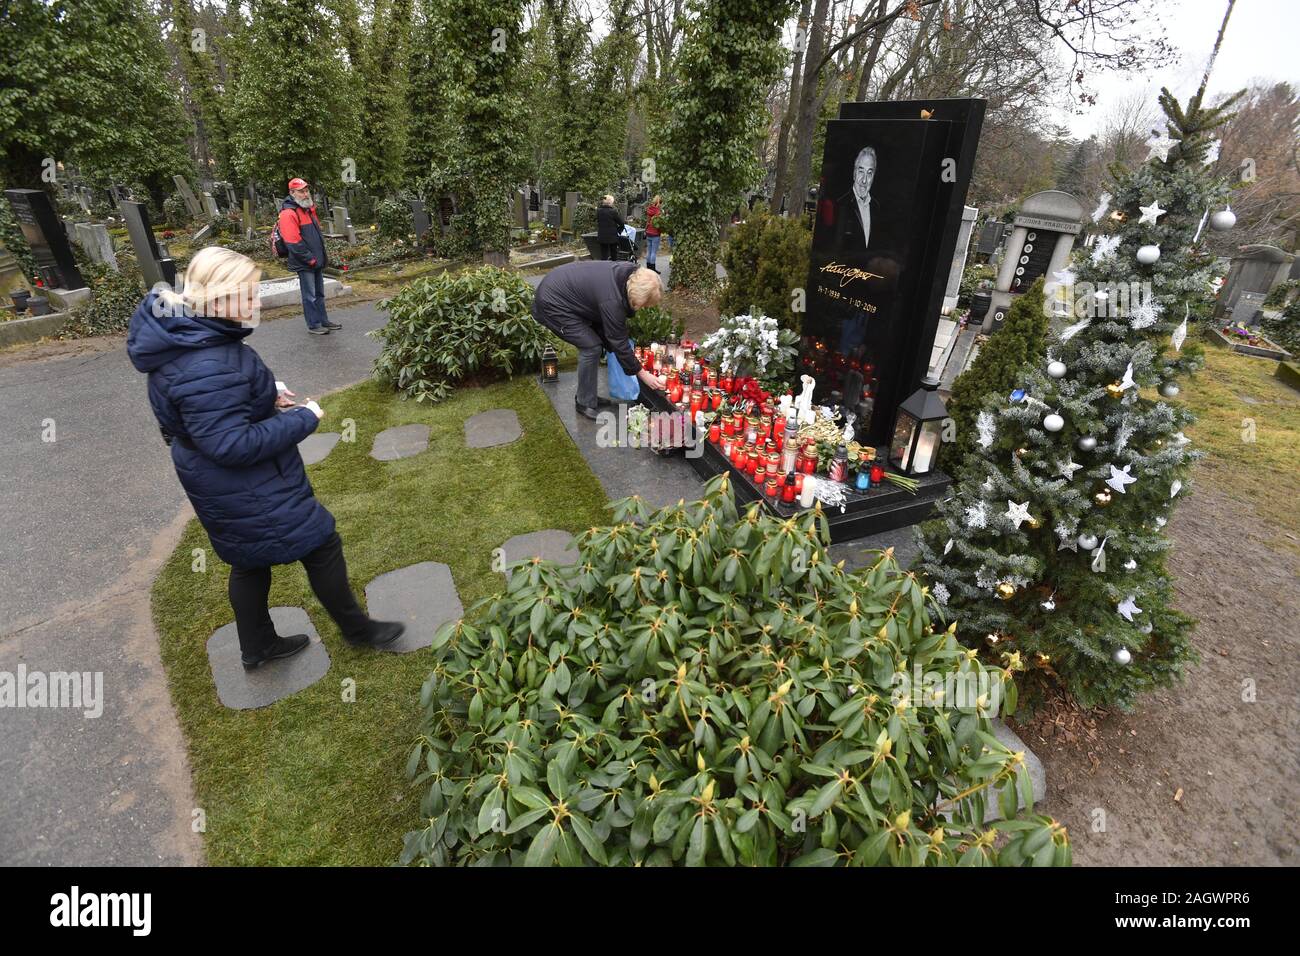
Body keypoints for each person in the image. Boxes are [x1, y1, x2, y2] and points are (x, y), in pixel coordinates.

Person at [126, 247, 404, 669]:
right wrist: (303, 419)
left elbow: (196, 410)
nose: (256, 303)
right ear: (218, 299)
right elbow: (231, 444)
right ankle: (359, 631)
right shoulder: (207, 362)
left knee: (249, 561)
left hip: (214, 480)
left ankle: (257, 646)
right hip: (247, 483)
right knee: (321, 542)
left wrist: (263, 391)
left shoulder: (187, 336)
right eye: (249, 294)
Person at [531, 261, 666, 419]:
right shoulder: (612, 300)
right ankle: (584, 402)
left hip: (563, 289)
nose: (642, 308)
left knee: (597, 344)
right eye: (643, 305)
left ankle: (588, 395)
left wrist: (613, 347)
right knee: (591, 347)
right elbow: (618, 340)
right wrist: (643, 375)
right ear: (637, 295)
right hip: (552, 302)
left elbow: (610, 331)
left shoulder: (628, 275)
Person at [278, 177, 339, 335]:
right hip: (305, 262)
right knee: (310, 295)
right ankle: (314, 325)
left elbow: (316, 235)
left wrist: (319, 258)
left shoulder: (307, 209)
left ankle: (323, 320)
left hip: (315, 260)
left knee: (319, 293)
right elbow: (293, 242)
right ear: (292, 193)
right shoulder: (288, 213)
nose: (305, 194)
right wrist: (310, 259)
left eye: (306, 190)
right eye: (301, 191)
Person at [595, 194, 624, 261]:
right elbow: (621, 223)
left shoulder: (598, 211)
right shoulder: (613, 212)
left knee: (603, 254)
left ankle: (604, 268)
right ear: (610, 202)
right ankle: (614, 268)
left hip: (602, 235)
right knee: (614, 254)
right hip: (612, 236)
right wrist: (618, 230)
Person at [644, 195, 663, 272]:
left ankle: (648, 267)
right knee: (653, 252)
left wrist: (646, 230)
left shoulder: (649, 209)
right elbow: (660, 224)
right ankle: (652, 269)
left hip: (648, 232)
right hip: (655, 233)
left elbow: (648, 221)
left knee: (649, 250)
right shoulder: (658, 211)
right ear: (660, 202)